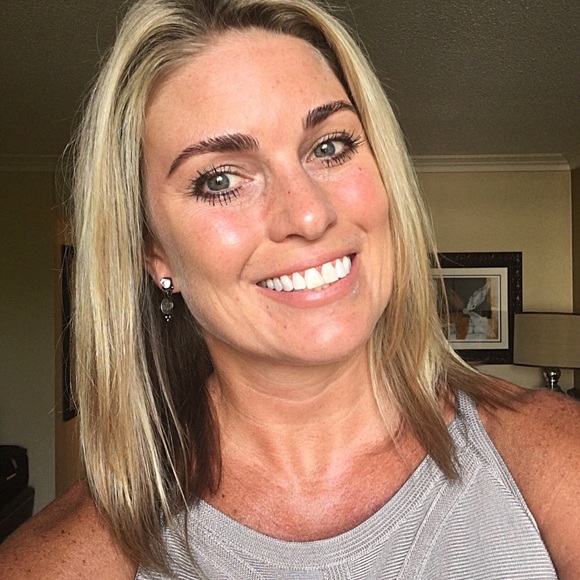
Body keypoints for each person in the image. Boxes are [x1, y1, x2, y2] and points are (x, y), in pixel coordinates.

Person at [2, 0, 579, 577]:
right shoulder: (52, 563)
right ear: (153, 251)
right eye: (220, 180)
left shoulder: (555, 455)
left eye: (329, 147)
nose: (308, 215)